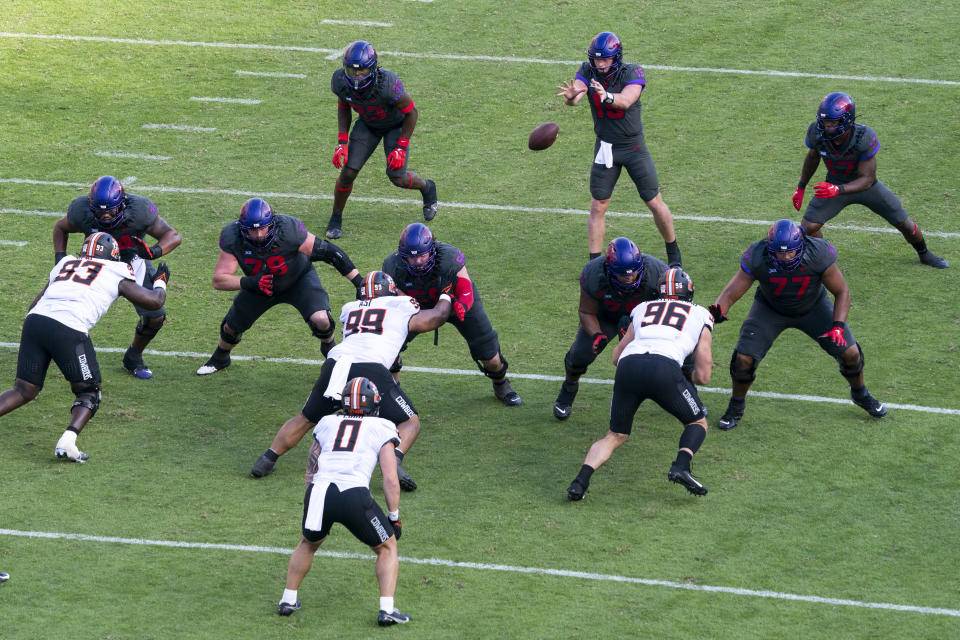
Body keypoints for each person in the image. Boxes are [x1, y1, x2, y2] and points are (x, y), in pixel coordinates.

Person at [251, 271, 452, 492]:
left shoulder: (350, 309)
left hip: (336, 364)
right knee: (410, 422)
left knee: (306, 418)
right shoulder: (401, 305)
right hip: (370, 367)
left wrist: (395, 380)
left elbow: (384, 345)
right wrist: (447, 294)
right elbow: (437, 316)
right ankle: (394, 461)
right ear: (390, 291)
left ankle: (267, 458)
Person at [0, 232, 169, 462]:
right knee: (89, 391)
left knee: (23, 390)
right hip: (69, 328)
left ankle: (67, 440)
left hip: (35, 321)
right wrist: (160, 281)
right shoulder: (115, 271)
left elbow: (36, 302)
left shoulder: (66, 263)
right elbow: (154, 301)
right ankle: (68, 442)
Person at [709, 219, 887, 431]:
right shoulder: (758, 255)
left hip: (814, 307)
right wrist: (717, 312)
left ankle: (860, 394)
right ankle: (736, 405)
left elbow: (842, 291)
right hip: (770, 309)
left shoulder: (818, 253)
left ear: (801, 246)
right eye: (779, 253)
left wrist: (838, 326)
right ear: (769, 248)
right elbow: (731, 291)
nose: (784, 258)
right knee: (743, 358)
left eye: (789, 253)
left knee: (851, 353)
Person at [567, 268, 714, 500]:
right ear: (689, 292)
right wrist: (690, 378)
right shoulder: (701, 314)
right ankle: (681, 466)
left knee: (615, 435)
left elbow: (616, 357)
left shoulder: (642, 308)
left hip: (629, 366)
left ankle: (579, 482)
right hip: (664, 368)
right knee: (697, 422)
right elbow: (704, 374)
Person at [277, 376, 410, 626]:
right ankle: (387, 609)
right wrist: (394, 516)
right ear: (373, 404)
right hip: (353, 493)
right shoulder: (383, 426)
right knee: (387, 547)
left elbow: (312, 465)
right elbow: (391, 479)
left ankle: (288, 599)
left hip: (319, 490)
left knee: (308, 542)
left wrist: (312, 498)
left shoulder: (327, 422)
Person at [195, 198, 362, 375]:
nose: (259, 234)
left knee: (322, 319)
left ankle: (328, 347)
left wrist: (359, 282)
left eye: (262, 228)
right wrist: (252, 283)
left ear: (272, 223)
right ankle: (220, 358)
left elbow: (329, 252)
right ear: (242, 228)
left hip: (298, 279)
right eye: (253, 230)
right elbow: (219, 280)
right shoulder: (232, 236)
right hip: (260, 286)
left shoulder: (289, 229)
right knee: (230, 327)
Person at [556, 31, 681, 266]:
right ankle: (594, 263)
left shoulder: (631, 72)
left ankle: (674, 254)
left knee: (653, 201)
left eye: (606, 59)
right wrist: (571, 97)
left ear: (617, 57)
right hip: (605, 148)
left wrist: (607, 96)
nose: (601, 64)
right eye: (597, 59)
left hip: (633, 147)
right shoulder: (586, 70)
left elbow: (626, 100)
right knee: (598, 204)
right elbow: (575, 96)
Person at [793, 92, 948, 269]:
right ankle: (823, 256)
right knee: (808, 227)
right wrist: (801, 187)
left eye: (833, 122)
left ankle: (925, 254)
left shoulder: (863, 136)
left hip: (864, 188)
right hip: (834, 184)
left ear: (847, 120)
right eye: (825, 122)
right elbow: (813, 157)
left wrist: (838, 190)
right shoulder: (816, 132)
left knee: (904, 223)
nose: (827, 126)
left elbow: (867, 180)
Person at [53, 175, 181, 379]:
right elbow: (60, 227)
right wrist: (60, 261)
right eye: (100, 212)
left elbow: (172, 236)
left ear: (123, 203)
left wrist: (154, 252)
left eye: (111, 210)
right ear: (91, 206)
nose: (106, 217)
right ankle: (53, 348)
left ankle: (133, 356)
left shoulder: (139, 210)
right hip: (96, 266)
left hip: (131, 263)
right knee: (67, 308)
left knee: (154, 315)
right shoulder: (81, 210)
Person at [382, 222, 522, 406]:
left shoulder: (449, 257)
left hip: (454, 301)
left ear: (431, 251)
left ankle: (501, 383)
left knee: (491, 357)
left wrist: (463, 304)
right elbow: (397, 300)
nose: (418, 262)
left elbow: (465, 286)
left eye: (422, 256)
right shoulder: (392, 266)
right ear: (402, 256)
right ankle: (394, 393)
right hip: (416, 307)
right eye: (411, 258)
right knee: (387, 346)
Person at [326, 40, 439, 240]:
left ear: (373, 67)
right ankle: (336, 217)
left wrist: (401, 147)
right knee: (348, 172)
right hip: (368, 125)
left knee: (397, 177)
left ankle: (427, 187)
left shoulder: (388, 83)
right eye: (352, 71)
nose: (357, 75)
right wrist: (342, 141)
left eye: (361, 71)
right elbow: (344, 105)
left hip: (396, 126)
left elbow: (411, 112)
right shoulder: (340, 81)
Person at [553, 237, 667, 420]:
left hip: (641, 320)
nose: (630, 278)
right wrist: (597, 335)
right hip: (605, 317)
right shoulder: (594, 272)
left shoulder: (658, 272)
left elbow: (669, 308)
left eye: (633, 273)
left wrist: (651, 333)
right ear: (610, 269)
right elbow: (585, 311)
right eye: (623, 275)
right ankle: (569, 388)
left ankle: (687, 391)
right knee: (580, 355)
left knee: (679, 354)